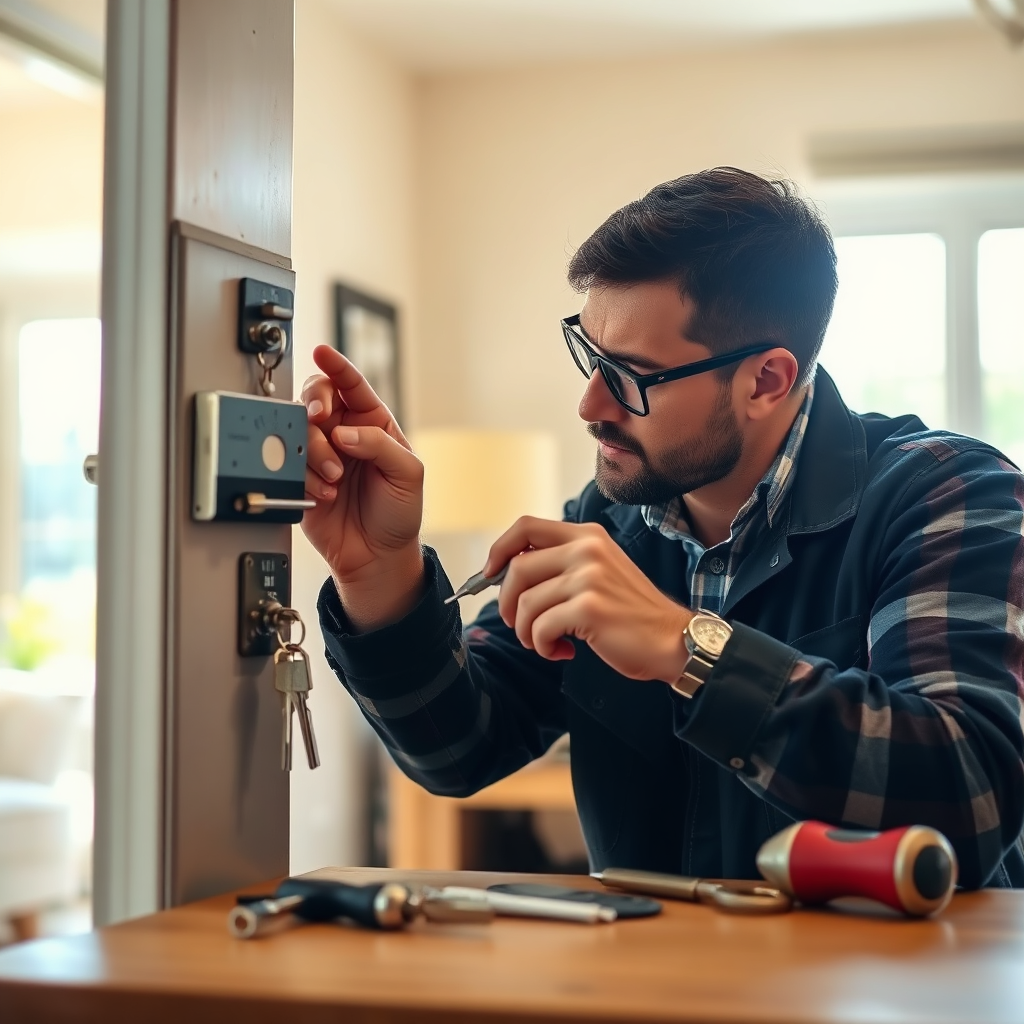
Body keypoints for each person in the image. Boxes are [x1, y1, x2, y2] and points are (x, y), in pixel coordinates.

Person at [300, 167, 1024, 888]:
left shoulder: (948, 495)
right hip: (652, 987)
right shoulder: (606, 520)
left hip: (885, 998)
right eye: (589, 355)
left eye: (631, 375)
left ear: (766, 380)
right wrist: (380, 571)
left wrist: (688, 649)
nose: (589, 404)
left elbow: (972, 786)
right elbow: (454, 751)